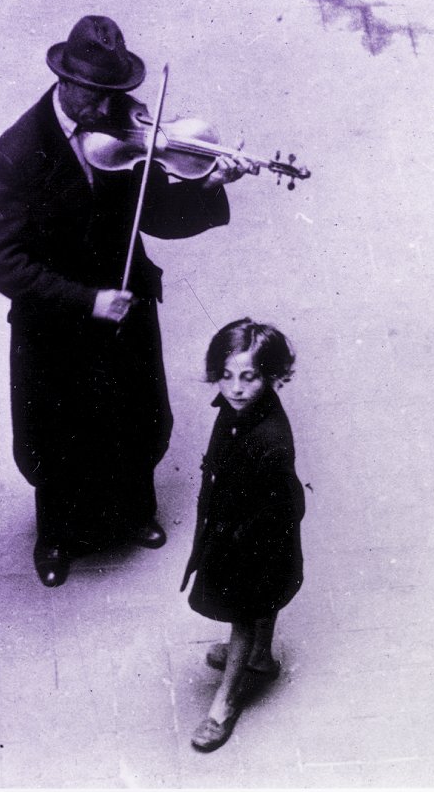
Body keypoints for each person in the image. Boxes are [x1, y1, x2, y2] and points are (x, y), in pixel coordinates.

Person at [0, 15, 253, 587]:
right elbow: (0, 259)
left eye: (118, 95)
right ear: (66, 83)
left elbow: (154, 217)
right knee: (54, 429)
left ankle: (136, 511)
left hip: (128, 300)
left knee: (137, 409)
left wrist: (207, 187)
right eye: (98, 96)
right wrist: (86, 299)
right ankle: (55, 535)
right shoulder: (20, 149)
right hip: (54, 316)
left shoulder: (125, 129)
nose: (112, 109)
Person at [180, 318, 306, 752]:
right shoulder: (237, 410)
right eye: (227, 375)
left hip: (256, 536)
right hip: (245, 527)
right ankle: (260, 657)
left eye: (249, 377)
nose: (235, 388)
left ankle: (225, 703)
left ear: (271, 376)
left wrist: (233, 541)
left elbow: (272, 508)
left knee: (243, 612)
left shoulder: (269, 438)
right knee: (260, 602)